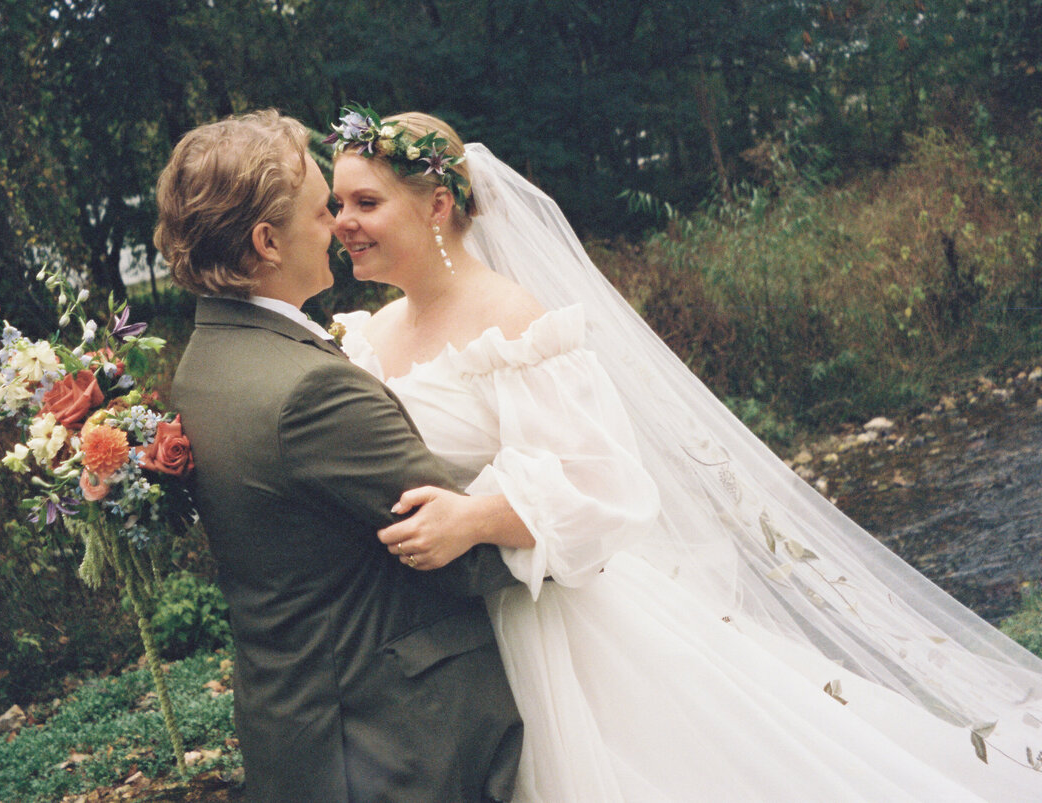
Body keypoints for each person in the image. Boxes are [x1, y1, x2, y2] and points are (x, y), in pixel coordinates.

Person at [328, 107, 1042, 801]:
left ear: (437, 204)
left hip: (552, 627)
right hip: (442, 636)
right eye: (335, 204)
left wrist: (478, 517)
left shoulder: (511, 321)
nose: (343, 224)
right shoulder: (367, 335)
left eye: (366, 201)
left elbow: (605, 484)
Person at [156, 110, 527, 802]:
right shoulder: (313, 391)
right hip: (393, 739)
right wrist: (565, 503)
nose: (339, 226)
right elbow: (468, 548)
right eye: (323, 209)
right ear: (267, 241)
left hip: (293, 720)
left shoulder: (205, 361)